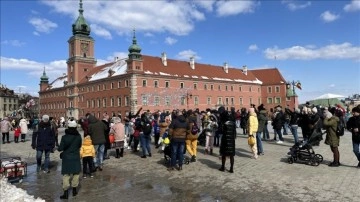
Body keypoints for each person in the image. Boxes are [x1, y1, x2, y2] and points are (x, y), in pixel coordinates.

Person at [58, 119, 82, 199]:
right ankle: (74, 190)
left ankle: (66, 192)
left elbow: (61, 148)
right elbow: (79, 146)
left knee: (66, 174)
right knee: (76, 173)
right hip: (75, 156)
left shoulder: (64, 137)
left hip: (67, 157)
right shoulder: (78, 137)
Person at [218, 107, 236, 173]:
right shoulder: (233, 123)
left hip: (225, 139)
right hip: (231, 140)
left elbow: (221, 131)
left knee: (224, 154)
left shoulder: (223, 123)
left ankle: (223, 167)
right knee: (231, 155)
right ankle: (231, 169)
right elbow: (234, 132)